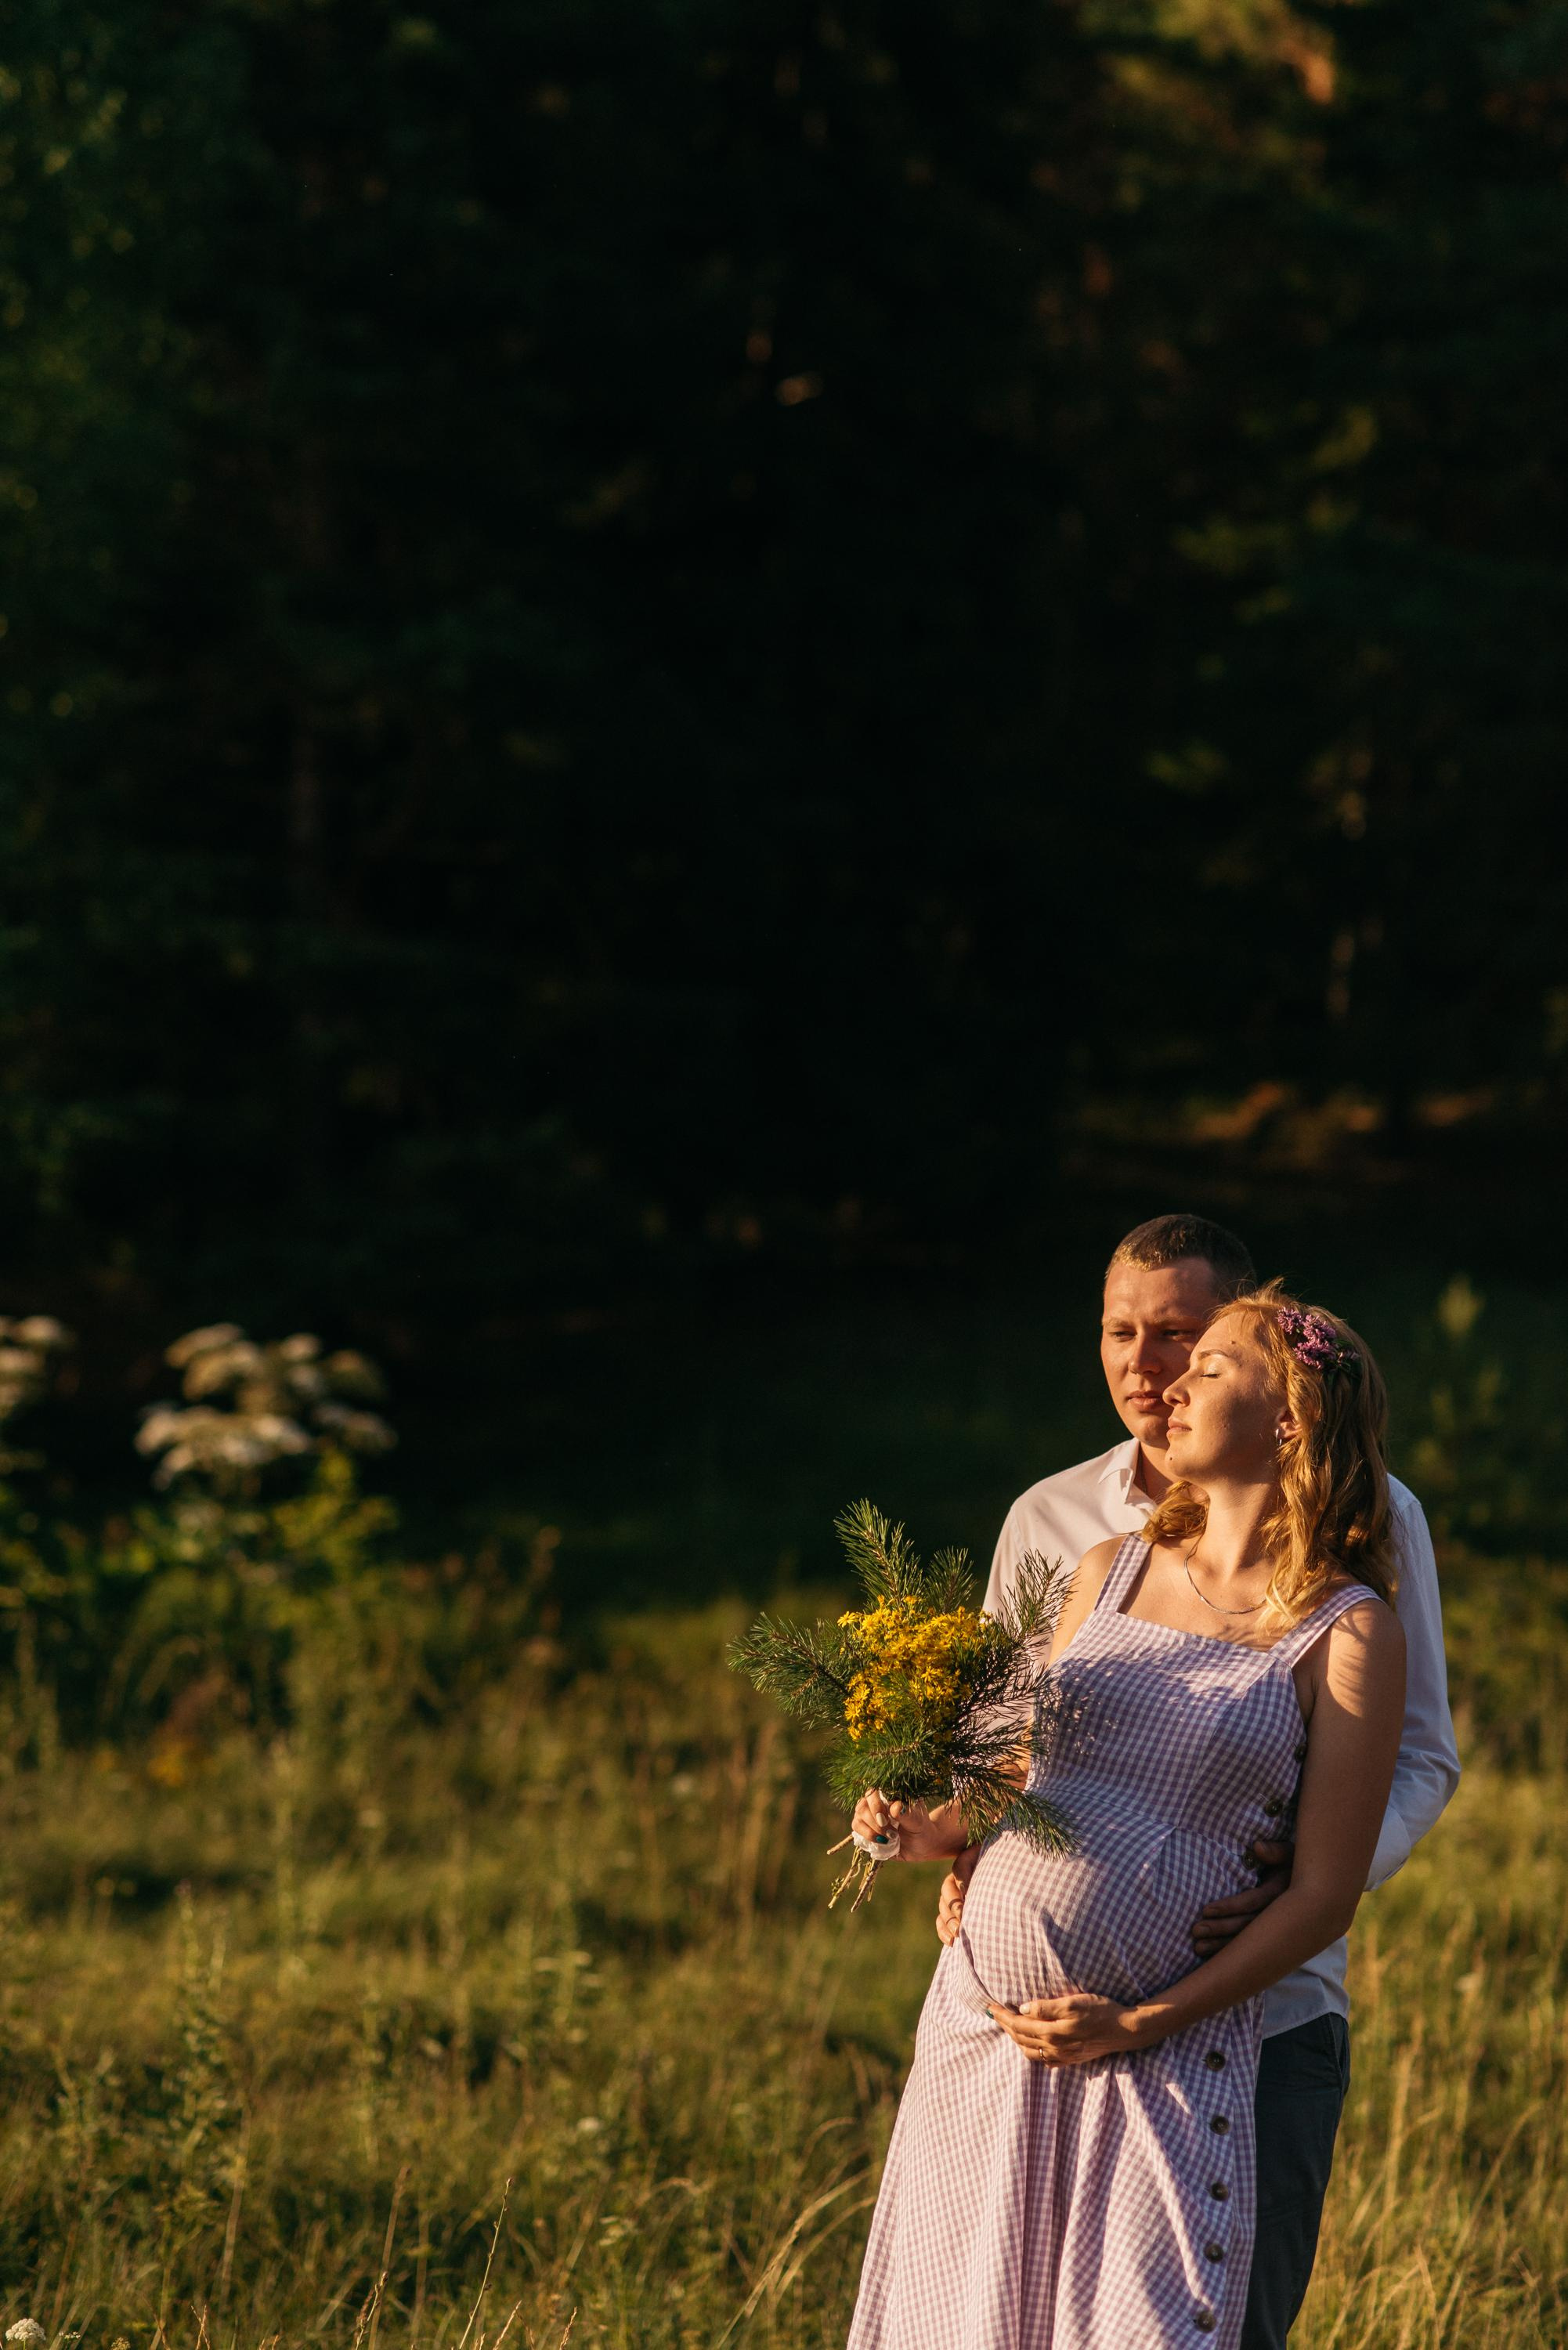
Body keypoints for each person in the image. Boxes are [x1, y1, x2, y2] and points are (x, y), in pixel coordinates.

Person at [845, 1275, 1414, 2349]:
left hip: (1158, 2056)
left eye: (1209, 1366)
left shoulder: (1346, 1632)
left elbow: (1324, 1892)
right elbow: (1029, 1773)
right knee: (960, 2319)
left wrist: (1141, 2021)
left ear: (1287, 1418)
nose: (1171, 1386)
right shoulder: (1105, 1571)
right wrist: (938, 1832)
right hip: (987, 2034)